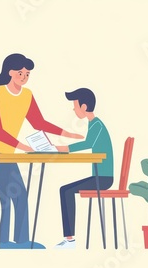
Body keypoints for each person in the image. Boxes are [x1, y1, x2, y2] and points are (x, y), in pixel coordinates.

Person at [0, 53, 82, 249]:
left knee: (20, 195)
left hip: (6, 156)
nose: (24, 76)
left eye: (28, 73)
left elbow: (38, 122)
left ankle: (21, 241)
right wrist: (24, 147)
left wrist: (66, 133)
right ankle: (5, 242)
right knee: (7, 196)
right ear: (10, 72)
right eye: (21, 72)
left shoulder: (27, 95)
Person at [54, 88, 114, 249]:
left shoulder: (97, 125)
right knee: (65, 190)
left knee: (65, 191)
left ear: (84, 107)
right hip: (100, 177)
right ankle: (69, 239)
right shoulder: (94, 124)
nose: (74, 109)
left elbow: (88, 144)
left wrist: (62, 148)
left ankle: (69, 240)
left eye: (75, 105)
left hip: (103, 179)